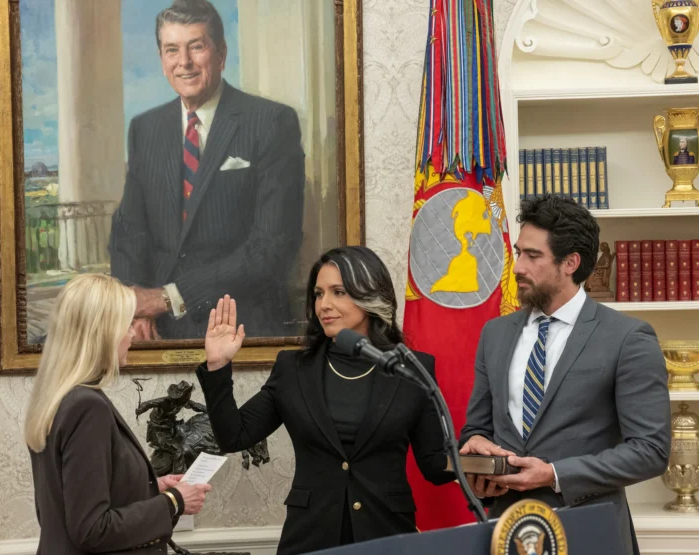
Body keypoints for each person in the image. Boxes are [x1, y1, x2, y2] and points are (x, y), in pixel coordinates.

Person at [197, 246, 455, 554]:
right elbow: (233, 436)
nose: (324, 305)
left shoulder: (412, 368)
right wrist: (218, 366)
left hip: (387, 535)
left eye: (338, 292)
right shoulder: (293, 369)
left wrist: (487, 467)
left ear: (370, 295)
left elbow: (436, 465)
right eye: (319, 294)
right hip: (310, 537)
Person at [459, 195, 671, 555]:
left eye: (532, 256)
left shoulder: (628, 338)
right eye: (518, 252)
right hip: (505, 532)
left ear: (570, 263)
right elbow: (476, 427)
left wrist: (554, 473)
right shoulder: (494, 333)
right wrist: (477, 454)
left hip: (589, 532)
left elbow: (650, 451)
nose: (518, 266)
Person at [109, 0, 305, 341]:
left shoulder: (271, 123)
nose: (183, 63)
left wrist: (167, 297)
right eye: (172, 50)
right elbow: (129, 232)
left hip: (240, 326)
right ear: (161, 60)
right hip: (155, 330)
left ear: (221, 54)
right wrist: (133, 307)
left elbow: (271, 248)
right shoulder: (145, 128)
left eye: (196, 47)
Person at [24, 274, 211, 554]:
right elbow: (92, 529)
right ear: (102, 333)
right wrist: (174, 501)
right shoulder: (86, 408)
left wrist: (148, 489)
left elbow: (74, 500)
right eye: (126, 325)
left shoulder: (59, 398)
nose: (133, 334)